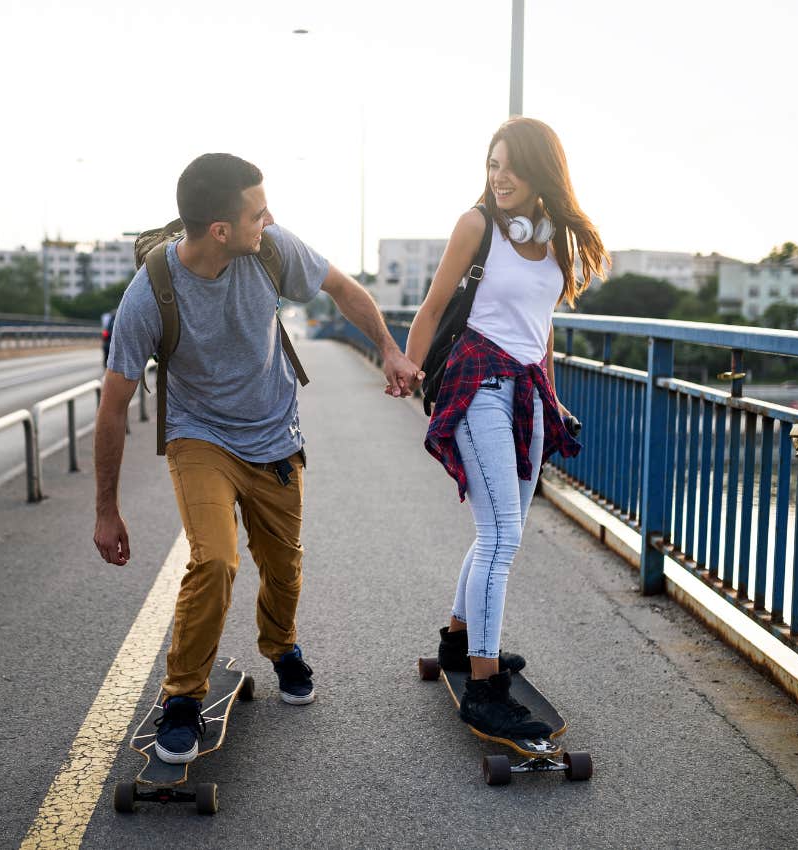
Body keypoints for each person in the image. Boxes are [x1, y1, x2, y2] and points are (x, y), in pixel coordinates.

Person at [93, 153, 420, 764]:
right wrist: (106, 509)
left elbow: (345, 290)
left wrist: (390, 350)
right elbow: (113, 405)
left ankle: (282, 646)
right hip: (200, 438)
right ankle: (183, 698)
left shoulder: (272, 248)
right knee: (215, 560)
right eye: (256, 212)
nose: (268, 218)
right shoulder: (151, 292)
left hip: (273, 434)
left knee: (284, 565)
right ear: (220, 230)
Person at [404, 117, 608, 741]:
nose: (499, 177)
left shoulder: (559, 240)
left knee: (502, 524)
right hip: (478, 384)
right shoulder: (478, 226)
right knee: (503, 536)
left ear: (542, 171)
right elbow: (435, 305)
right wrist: (408, 367)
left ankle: (459, 643)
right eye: (492, 165)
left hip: (527, 390)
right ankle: (484, 686)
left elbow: (541, 329)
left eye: (511, 167)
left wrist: (550, 396)